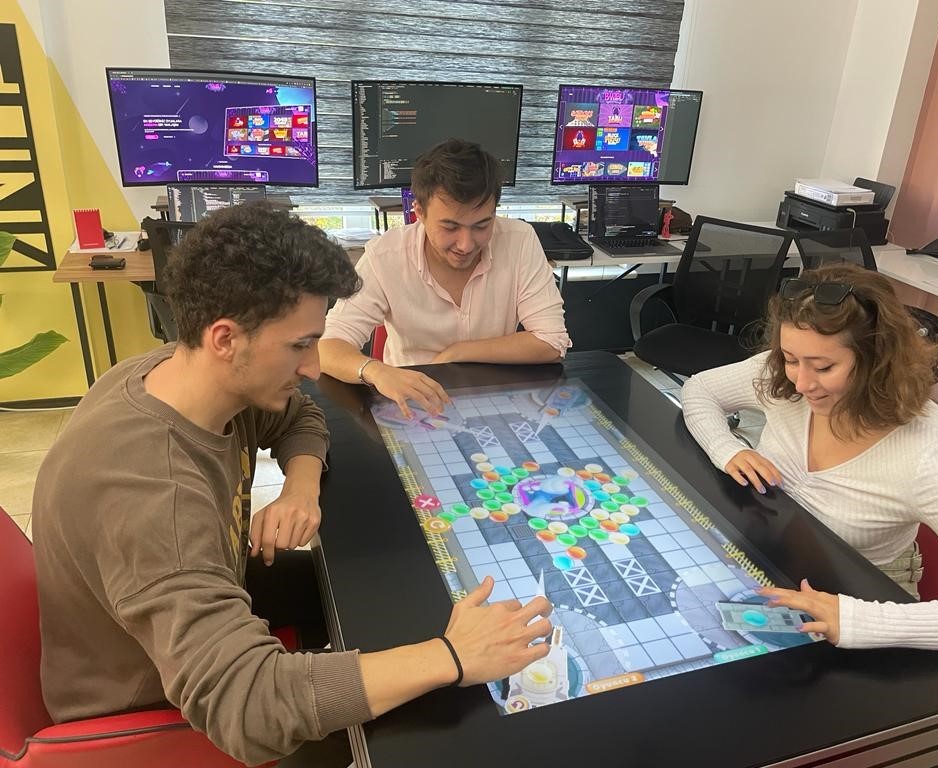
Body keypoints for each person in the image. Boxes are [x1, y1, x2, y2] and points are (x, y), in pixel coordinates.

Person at [31, 202, 553, 766]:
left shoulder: (180, 374)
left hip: (212, 611)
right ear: (225, 338)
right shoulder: (153, 497)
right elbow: (249, 707)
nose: (312, 368)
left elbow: (300, 416)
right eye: (300, 345)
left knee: (392, 586)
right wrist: (451, 656)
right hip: (150, 711)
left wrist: (299, 490)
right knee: (434, 706)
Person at [680, 263, 938, 650]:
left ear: (877, 359)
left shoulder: (933, 451)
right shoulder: (788, 373)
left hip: (866, 595)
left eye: (824, 367)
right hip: (780, 558)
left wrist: (857, 620)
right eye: (790, 359)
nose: (801, 383)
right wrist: (728, 449)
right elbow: (700, 390)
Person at [320, 138, 570, 418]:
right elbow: (327, 346)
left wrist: (458, 352)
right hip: (415, 406)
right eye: (450, 227)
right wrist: (376, 371)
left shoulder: (519, 241)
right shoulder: (385, 256)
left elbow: (552, 342)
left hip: (497, 398)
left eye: (482, 225)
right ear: (419, 213)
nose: (466, 245)